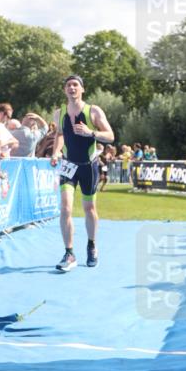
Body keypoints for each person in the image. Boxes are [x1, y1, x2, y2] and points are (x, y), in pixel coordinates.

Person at [50, 75, 113, 271]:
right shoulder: (58, 113)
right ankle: (69, 253)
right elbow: (60, 134)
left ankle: (92, 245)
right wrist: (55, 151)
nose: (71, 87)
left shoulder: (93, 111)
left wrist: (91, 133)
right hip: (69, 166)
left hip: (88, 166)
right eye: (68, 85)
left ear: (82, 89)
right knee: (66, 208)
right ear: (64, 90)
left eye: (75, 85)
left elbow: (110, 136)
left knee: (89, 209)